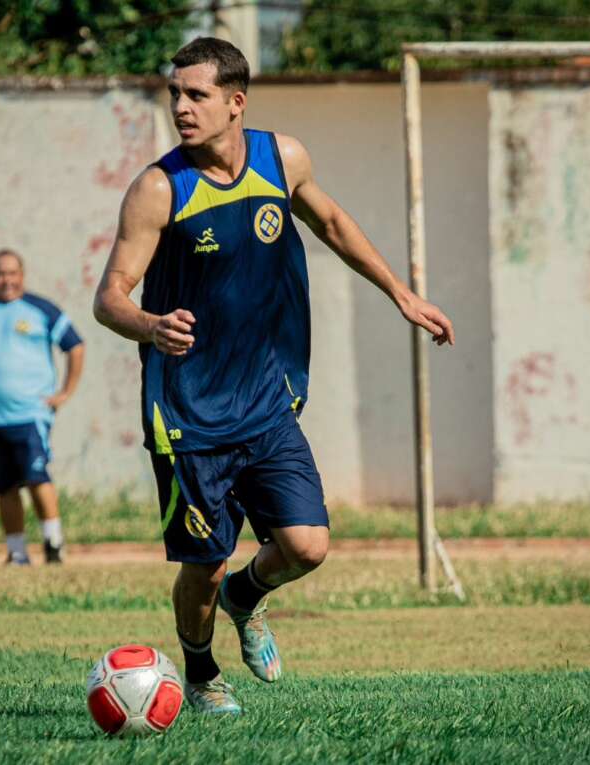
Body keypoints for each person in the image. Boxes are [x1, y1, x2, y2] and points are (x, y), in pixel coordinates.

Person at [93, 37, 454, 713]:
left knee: (307, 544)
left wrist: (402, 294)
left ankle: (245, 596)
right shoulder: (159, 188)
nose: (180, 106)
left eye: (196, 94)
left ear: (236, 102)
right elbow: (109, 295)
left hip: (264, 398)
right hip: (188, 414)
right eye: (175, 93)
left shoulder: (282, 158)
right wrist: (150, 325)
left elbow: (335, 223)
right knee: (201, 563)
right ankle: (200, 674)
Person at [0, 249, 85, 565]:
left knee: (37, 477)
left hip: (31, 413)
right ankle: (17, 552)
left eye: (11, 273)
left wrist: (65, 392)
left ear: (22, 274)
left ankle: (53, 544)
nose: (5, 280)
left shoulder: (41, 310)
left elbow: (75, 345)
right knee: (5, 486)